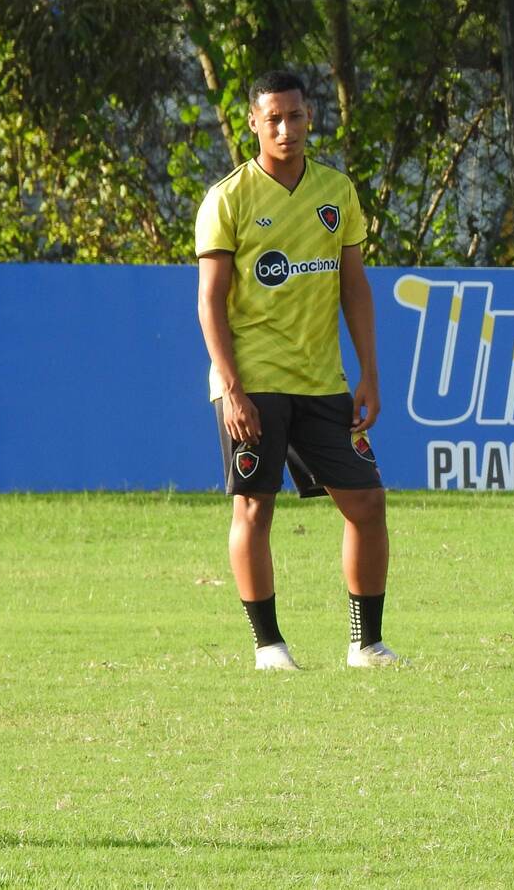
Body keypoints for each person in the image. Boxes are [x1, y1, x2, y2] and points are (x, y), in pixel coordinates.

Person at [196, 70, 401, 671]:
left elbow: (354, 286)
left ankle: (366, 643)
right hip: (252, 381)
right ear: (254, 125)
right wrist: (230, 388)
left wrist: (368, 372)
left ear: (311, 118)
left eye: (297, 116)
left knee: (366, 502)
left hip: (322, 380)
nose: (287, 128)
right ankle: (269, 646)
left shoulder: (336, 191)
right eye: (274, 119)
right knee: (255, 508)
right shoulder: (228, 199)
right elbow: (210, 299)